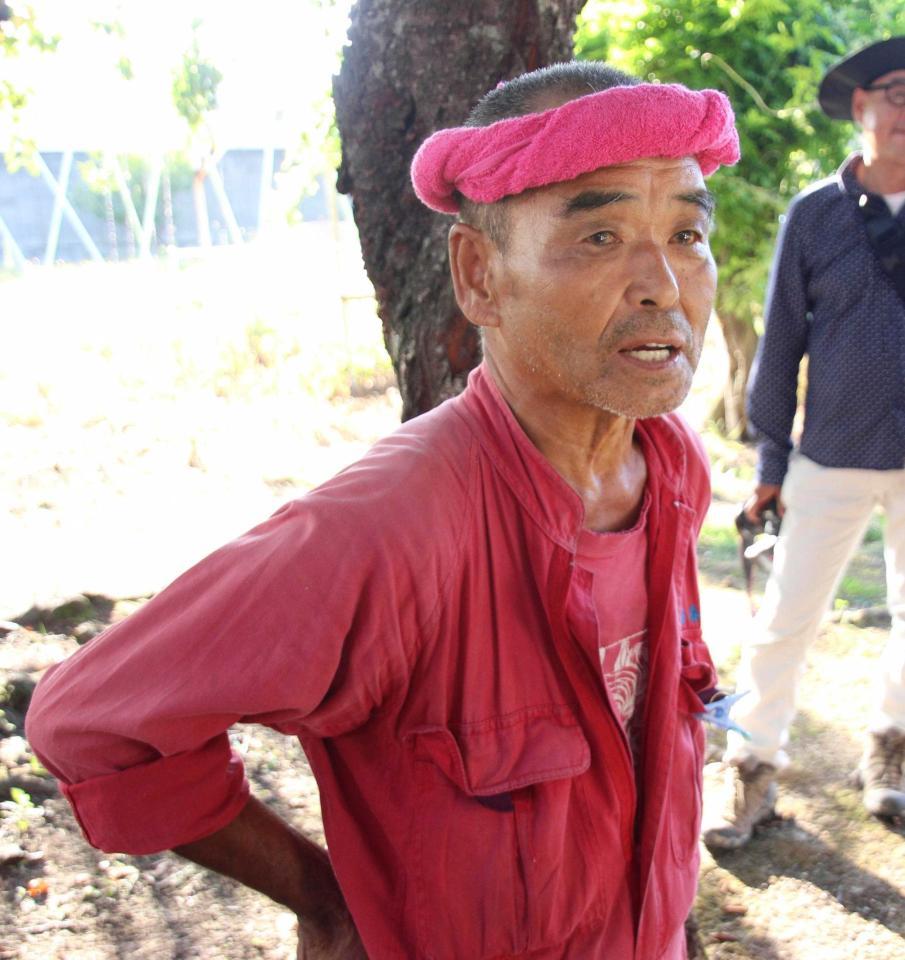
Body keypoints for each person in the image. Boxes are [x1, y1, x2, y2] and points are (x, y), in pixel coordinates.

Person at [26, 61, 739, 958]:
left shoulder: (669, 466)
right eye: (598, 237)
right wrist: (325, 900)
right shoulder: (392, 525)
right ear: (479, 276)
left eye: (685, 232)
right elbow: (89, 723)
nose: (664, 286)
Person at [702, 36, 905, 851]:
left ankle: (891, 753)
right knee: (787, 617)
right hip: (829, 452)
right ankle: (749, 767)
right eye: (892, 92)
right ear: (858, 109)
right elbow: (780, 343)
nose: (904, 111)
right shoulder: (813, 216)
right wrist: (769, 467)